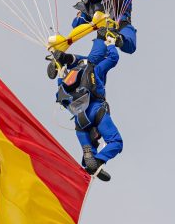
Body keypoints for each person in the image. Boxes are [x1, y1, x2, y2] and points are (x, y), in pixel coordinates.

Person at [51, 38, 122, 181]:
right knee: (115, 142)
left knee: (89, 150)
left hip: (81, 120)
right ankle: (98, 160)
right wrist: (110, 43)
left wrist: (60, 70)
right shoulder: (95, 69)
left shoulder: (68, 81)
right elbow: (113, 58)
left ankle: (92, 159)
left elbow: (61, 96)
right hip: (92, 113)